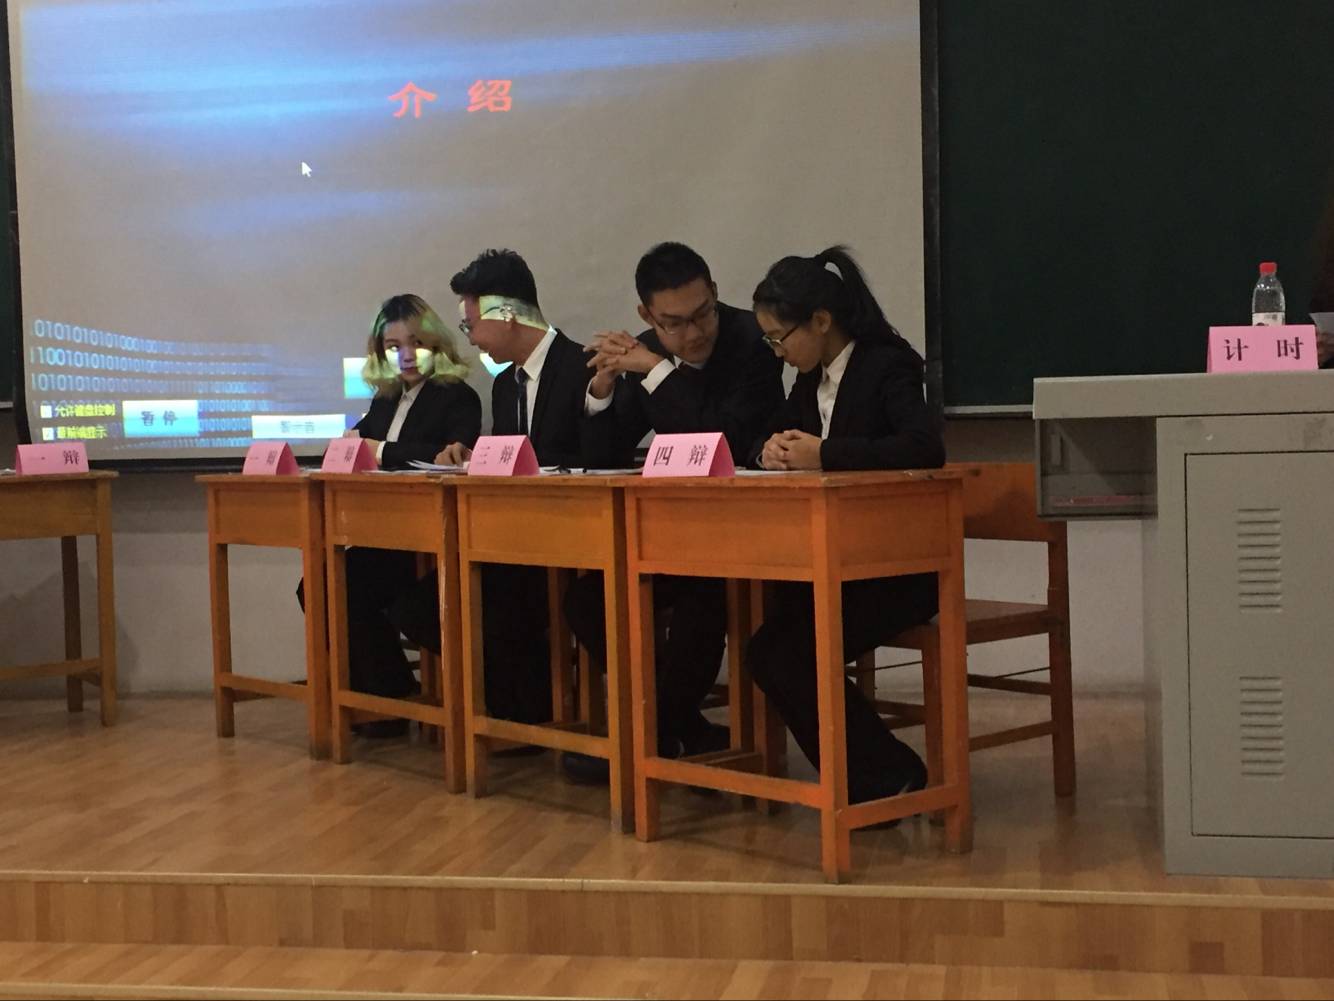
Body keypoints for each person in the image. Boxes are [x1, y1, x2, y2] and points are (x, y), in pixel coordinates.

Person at [559, 242, 785, 784]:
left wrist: (658, 371)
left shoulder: (754, 341)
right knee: (587, 598)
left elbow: (726, 437)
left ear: (714, 293)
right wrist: (602, 389)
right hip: (678, 533)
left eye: (703, 312)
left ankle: (646, 737)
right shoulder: (644, 354)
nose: (695, 331)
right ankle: (676, 728)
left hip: (756, 531)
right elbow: (604, 458)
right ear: (647, 315)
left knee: (700, 599)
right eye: (675, 323)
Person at [744, 246, 945, 806]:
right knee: (769, 647)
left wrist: (825, 454)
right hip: (838, 564)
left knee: (786, 652)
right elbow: (772, 432)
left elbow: (923, 447)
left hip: (898, 570)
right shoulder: (809, 379)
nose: (778, 353)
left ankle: (884, 776)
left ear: (821, 321)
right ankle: (877, 776)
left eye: (780, 338)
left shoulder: (886, 364)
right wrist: (769, 449)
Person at [392, 249, 588, 729]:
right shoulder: (505, 386)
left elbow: (592, 457)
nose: (471, 338)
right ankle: (515, 714)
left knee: (491, 602)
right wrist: (474, 460)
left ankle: (530, 713)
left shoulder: (581, 366)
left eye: (472, 324)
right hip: (511, 539)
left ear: (508, 314)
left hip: (572, 539)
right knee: (421, 606)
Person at [299, 294, 480, 736]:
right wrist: (353, 447)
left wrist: (379, 450)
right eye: (393, 346)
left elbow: (446, 454)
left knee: (354, 586)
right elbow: (355, 444)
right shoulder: (385, 400)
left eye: (416, 343)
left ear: (437, 344)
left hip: (430, 540)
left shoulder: (457, 396)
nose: (406, 355)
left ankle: (389, 699)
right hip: (382, 533)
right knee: (317, 583)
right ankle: (379, 694)